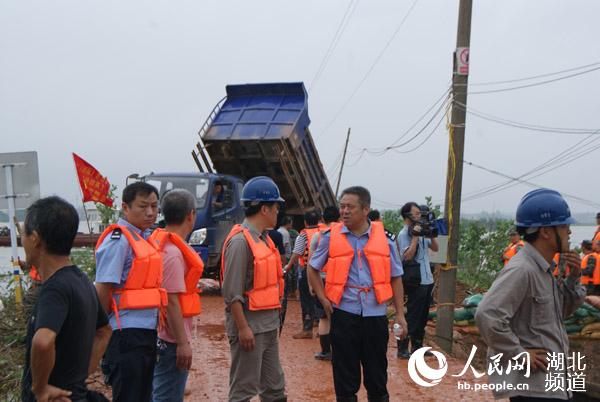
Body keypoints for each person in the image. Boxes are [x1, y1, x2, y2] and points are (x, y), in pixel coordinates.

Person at [475, 188, 586, 401]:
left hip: (549, 386)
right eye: (564, 226)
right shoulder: (522, 269)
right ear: (545, 231)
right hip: (531, 389)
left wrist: (574, 278)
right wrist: (520, 354)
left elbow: (558, 313)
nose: (569, 232)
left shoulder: (543, 269)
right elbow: (487, 315)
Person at [308, 186, 407, 402]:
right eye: (342, 206)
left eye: (349, 207)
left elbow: (396, 277)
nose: (344, 211)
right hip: (344, 314)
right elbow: (312, 268)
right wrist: (323, 298)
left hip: (375, 316)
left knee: (377, 378)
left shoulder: (385, 239)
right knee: (345, 380)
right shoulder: (330, 237)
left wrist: (400, 314)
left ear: (365, 209)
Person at [21, 196, 112, 402]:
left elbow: (43, 342)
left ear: (35, 239)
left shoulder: (54, 289)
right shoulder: (82, 280)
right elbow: (104, 332)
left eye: (23, 234)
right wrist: (79, 378)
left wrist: (40, 389)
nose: (22, 240)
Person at [95, 182, 165, 402]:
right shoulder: (119, 240)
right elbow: (103, 288)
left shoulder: (143, 238)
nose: (150, 212)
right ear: (125, 208)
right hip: (124, 334)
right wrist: (102, 330)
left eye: (154, 206)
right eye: (143, 206)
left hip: (145, 333)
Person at [221, 176, 287, 402]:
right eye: (276, 207)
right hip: (250, 327)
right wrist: (242, 328)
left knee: (275, 387)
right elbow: (232, 294)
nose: (278, 211)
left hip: (267, 325)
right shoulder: (240, 242)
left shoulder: (265, 240)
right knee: (244, 389)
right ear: (265, 209)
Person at [150, 189, 204, 402]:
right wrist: (182, 343)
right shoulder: (173, 253)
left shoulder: (159, 243)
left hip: (160, 333)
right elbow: (171, 301)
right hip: (170, 339)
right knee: (167, 396)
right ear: (191, 215)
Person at [396, 202, 439, 359]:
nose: (419, 216)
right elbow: (407, 256)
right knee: (411, 316)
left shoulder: (421, 232)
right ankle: (402, 348)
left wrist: (431, 234)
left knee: (422, 316)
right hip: (414, 280)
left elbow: (435, 248)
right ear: (407, 215)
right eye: (415, 213)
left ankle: (417, 348)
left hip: (427, 280)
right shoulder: (403, 234)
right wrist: (414, 238)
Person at [308, 205, 340, 361]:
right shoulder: (343, 235)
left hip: (320, 279)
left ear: (322, 219)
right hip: (338, 280)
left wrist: (310, 284)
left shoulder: (318, 236)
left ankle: (326, 351)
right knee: (339, 316)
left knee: (323, 318)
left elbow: (311, 263)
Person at [284, 211, 321, 339]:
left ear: (305, 222)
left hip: (308, 270)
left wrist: (288, 266)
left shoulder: (303, 235)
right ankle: (321, 325)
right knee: (321, 298)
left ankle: (307, 329)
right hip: (323, 271)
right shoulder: (324, 232)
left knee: (306, 299)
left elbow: (297, 253)